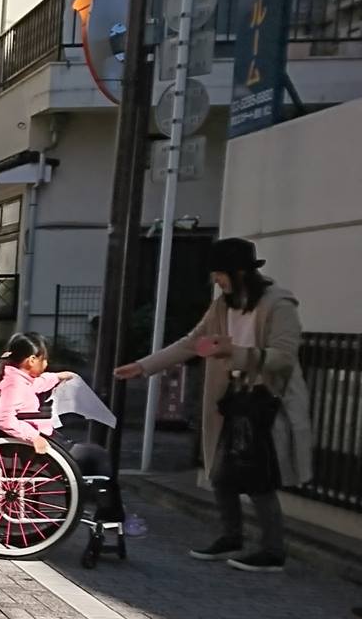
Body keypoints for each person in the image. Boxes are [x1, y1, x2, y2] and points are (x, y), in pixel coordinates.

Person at [114, 237, 309, 572]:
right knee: (220, 470)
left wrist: (234, 353)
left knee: (259, 475)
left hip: (265, 399)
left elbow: (284, 357)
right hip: (233, 396)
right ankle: (231, 536)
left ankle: (272, 551)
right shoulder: (222, 305)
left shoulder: (279, 304)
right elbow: (192, 343)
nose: (216, 281)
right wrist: (145, 366)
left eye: (220, 274)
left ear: (239, 272)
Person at [0, 333, 114, 513]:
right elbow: (1, 418)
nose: (46, 364)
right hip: (32, 449)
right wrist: (34, 437)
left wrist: (59, 377)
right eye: (44, 359)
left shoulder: (18, 378)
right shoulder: (15, 384)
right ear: (32, 360)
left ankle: (97, 504)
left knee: (93, 455)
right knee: (96, 455)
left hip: (40, 443)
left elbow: (37, 384)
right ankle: (108, 511)